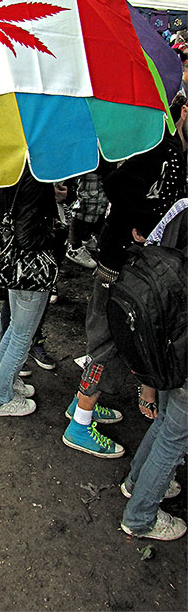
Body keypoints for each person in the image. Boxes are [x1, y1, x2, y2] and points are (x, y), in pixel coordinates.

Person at [62, 92, 188, 457]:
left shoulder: (176, 153)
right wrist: (141, 223)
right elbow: (117, 184)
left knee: (109, 341)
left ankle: (81, 403)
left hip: (134, 264)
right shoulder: (159, 146)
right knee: (107, 343)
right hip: (118, 261)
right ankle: (80, 423)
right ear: (182, 111)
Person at [119, 203, 187, 541]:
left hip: (167, 335)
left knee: (166, 422)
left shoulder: (181, 208)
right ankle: (141, 516)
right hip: (181, 344)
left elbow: (149, 248)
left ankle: (137, 481)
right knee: (176, 436)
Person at [0, 168, 60, 417]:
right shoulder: (37, 178)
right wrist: (55, 234)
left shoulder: (10, 168)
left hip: (13, 265)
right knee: (21, 335)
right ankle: (0, 398)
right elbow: (27, 237)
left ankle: (2, 382)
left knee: (16, 329)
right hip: (31, 269)